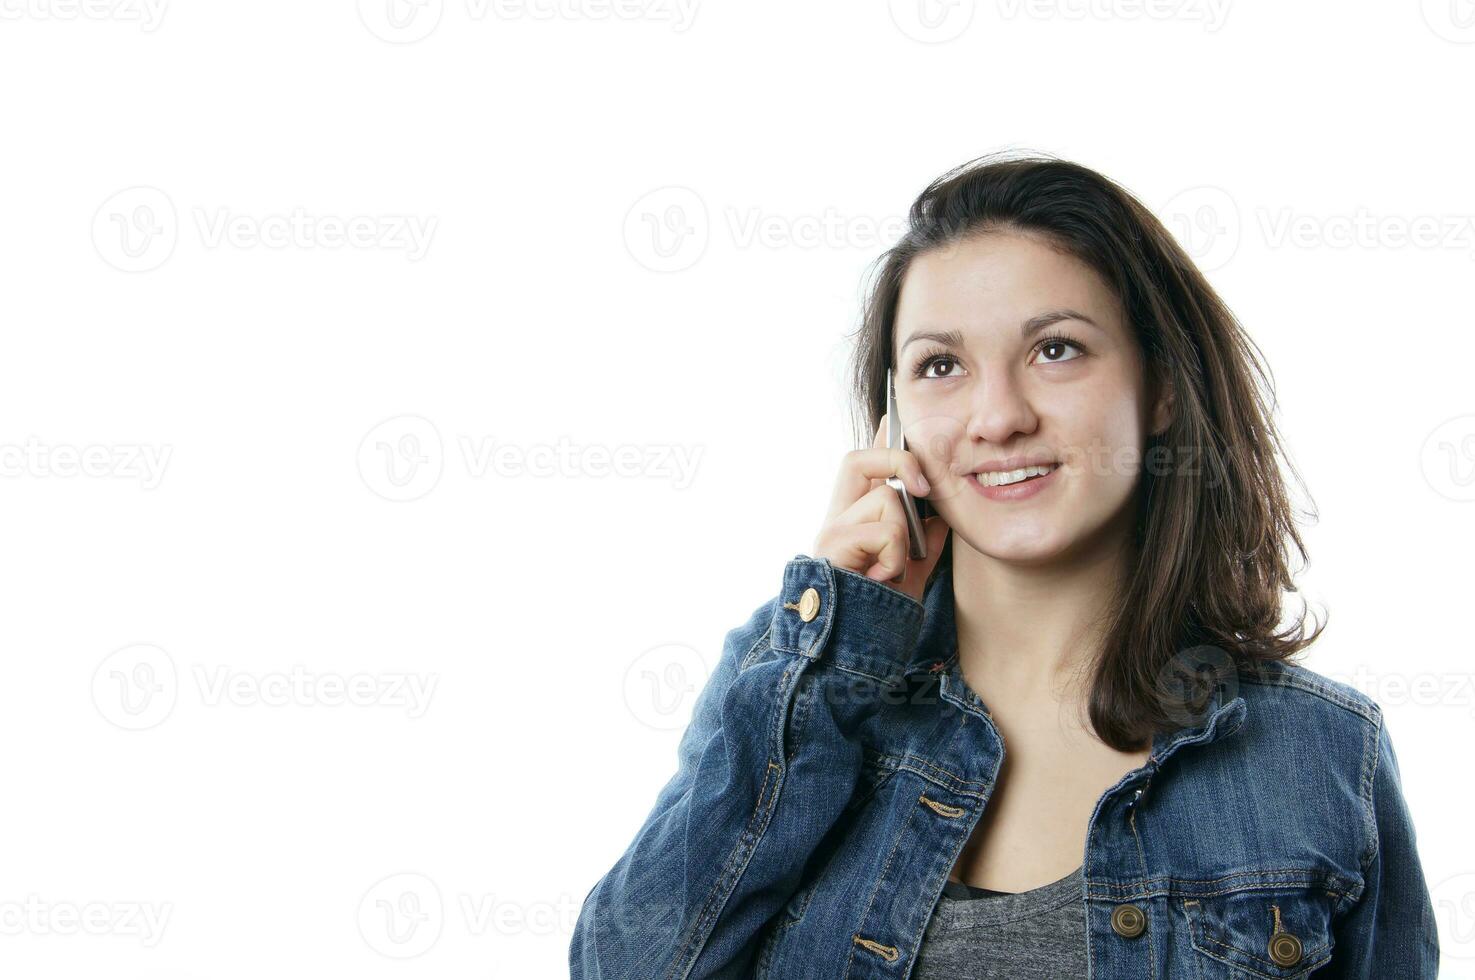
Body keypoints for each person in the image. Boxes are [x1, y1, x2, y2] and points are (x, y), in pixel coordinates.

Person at [569, 151, 1440, 979]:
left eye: (1054, 349)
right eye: (940, 365)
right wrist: (834, 651)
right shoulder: (800, 690)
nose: (996, 417)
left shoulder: (1319, 751)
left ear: (1163, 387)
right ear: (892, 422)